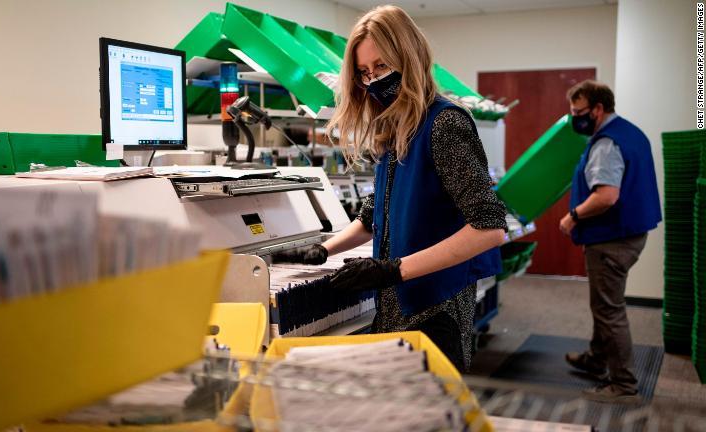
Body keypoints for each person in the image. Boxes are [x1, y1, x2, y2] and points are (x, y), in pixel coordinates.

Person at [271, 5, 507, 372]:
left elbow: (489, 227)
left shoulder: (443, 125)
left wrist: (392, 270)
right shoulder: (394, 130)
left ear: (409, 56)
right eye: (364, 73)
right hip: (396, 304)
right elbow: (373, 214)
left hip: (435, 310)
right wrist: (323, 249)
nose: (372, 81)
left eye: (381, 67)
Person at [559, 80, 661, 403]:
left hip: (611, 239)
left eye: (578, 113)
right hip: (629, 234)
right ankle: (596, 359)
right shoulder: (631, 132)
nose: (575, 118)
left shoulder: (606, 143)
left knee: (608, 309)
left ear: (598, 110)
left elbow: (606, 196)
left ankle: (623, 386)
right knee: (603, 303)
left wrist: (572, 216)